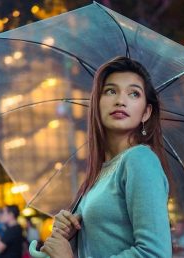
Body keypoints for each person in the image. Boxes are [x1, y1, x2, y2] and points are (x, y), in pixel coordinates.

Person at [40, 56, 172, 257]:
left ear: (146, 112)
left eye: (134, 94)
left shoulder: (139, 160)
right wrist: (71, 234)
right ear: (97, 103)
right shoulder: (101, 172)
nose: (120, 100)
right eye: (110, 91)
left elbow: (154, 253)